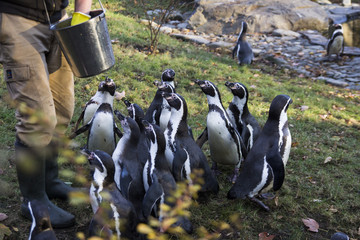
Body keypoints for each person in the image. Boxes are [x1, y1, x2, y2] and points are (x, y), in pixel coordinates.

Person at [0, 0, 92, 228]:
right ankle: (33, 201)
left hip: (58, 20)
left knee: (62, 110)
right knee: (38, 120)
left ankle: (50, 182)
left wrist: (81, 14)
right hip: (17, 18)